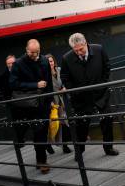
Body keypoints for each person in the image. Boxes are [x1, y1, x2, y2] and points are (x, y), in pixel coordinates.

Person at [60, 33, 118, 156]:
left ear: (85, 43)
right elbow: (65, 78)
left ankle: (109, 148)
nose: (79, 53)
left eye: (81, 49)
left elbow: (107, 67)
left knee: (107, 120)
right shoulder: (66, 58)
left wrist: (103, 84)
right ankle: (79, 151)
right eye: (75, 51)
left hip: (101, 94)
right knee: (82, 126)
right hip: (81, 99)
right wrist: (75, 90)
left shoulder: (99, 49)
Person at [9, 39, 53, 173]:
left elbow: (49, 81)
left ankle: (40, 159)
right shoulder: (18, 64)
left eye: (37, 52)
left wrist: (51, 99)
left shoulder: (45, 60)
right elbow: (13, 84)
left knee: (43, 131)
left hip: (44, 102)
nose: (34, 55)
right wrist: (35, 85)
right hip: (30, 104)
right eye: (31, 52)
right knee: (38, 131)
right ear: (26, 50)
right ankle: (42, 161)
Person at [46, 53, 71, 154]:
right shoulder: (44, 74)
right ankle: (48, 144)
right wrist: (49, 101)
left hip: (63, 100)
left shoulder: (59, 70)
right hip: (53, 102)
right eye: (48, 62)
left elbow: (66, 80)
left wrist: (65, 87)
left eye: (51, 61)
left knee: (64, 123)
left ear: (54, 62)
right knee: (54, 125)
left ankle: (64, 145)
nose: (50, 63)